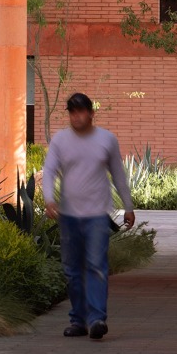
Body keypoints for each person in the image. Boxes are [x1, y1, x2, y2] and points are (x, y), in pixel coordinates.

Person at [42, 92, 136, 340]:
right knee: (73, 271)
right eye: (72, 112)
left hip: (96, 215)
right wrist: (49, 198)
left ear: (91, 113)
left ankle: (96, 319)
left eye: (81, 111)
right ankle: (78, 320)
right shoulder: (60, 140)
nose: (77, 116)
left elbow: (118, 175)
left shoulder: (107, 139)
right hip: (69, 216)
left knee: (95, 267)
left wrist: (128, 206)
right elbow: (49, 170)